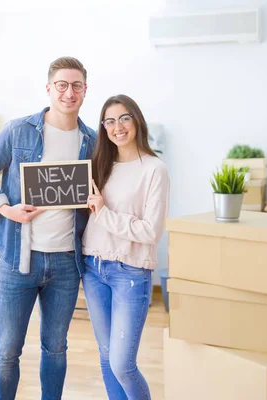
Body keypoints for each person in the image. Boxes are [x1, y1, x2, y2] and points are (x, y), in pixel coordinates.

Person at [0, 56, 97, 400]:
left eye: (76, 85)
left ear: (85, 90)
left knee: (56, 348)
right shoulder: (18, 130)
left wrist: (94, 200)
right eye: (62, 85)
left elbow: (101, 191)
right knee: (8, 349)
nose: (69, 92)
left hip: (66, 263)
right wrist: (5, 208)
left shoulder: (92, 141)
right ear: (49, 88)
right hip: (17, 258)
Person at [83, 94, 170, 400]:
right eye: (109, 121)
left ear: (137, 120)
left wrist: (104, 213)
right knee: (107, 357)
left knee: (122, 364)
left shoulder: (154, 169)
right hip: (92, 268)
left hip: (130, 273)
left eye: (124, 118)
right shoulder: (99, 165)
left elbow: (151, 231)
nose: (117, 127)